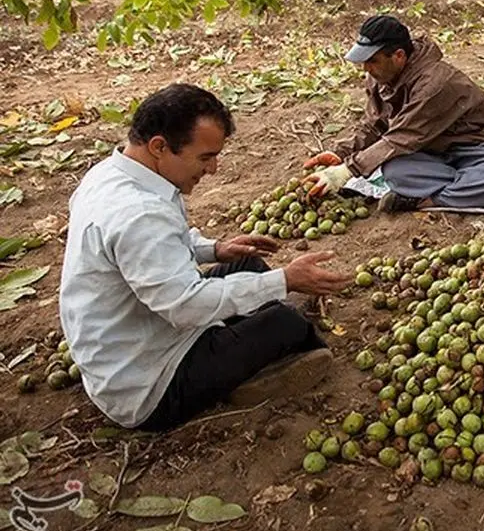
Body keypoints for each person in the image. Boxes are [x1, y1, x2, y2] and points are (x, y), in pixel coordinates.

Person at [58, 84, 352, 432]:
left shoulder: (110, 174)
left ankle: (244, 349)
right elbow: (185, 308)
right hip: (150, 385)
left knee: (250, 266)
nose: (212, 169)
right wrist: (284, 280)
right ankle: (248, 377)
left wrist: (215, 249)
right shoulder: (139, 214)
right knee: (286, 324)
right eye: (205, 157)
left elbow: (152, 249)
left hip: (135, 338)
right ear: (159, 147)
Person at [303, 14, 484, 211]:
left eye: (372, 61)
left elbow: (402, 137)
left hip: (474, 147)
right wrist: (340, 154)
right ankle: (479, 191)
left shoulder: (434, 84)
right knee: (394, 170)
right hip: (430, 151)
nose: (366, 69)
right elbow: (375, 125)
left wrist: (347, 171)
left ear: (398, 56)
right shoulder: (380, 77)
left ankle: (431, 201)